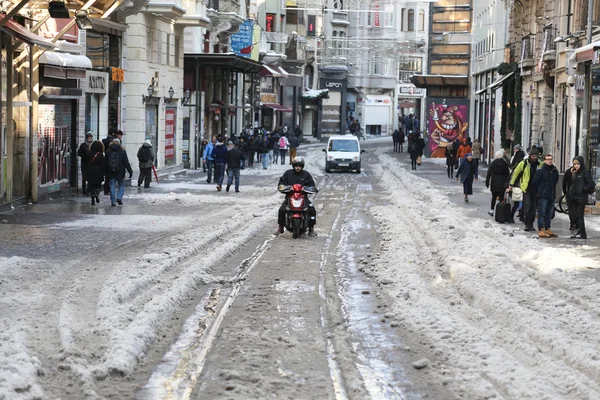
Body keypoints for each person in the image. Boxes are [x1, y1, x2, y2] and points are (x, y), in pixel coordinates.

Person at [276, 157, 317, 236]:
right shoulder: (288, 173)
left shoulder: (306, 174)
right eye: (296, 166)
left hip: (303, 197)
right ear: (293, 166)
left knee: (312, 210)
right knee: (281, 210)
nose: (298, 167)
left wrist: (306, 188)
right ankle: (280, 228)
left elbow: (312, 184)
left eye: (300, 166)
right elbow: (281, 183)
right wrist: (286, 187)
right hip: (290, 197)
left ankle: (311, 229)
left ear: (302, 166)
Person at [507, 148, 542, 231]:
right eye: (533, 156)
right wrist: (511, 184)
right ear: (530, 156)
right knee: (528, 205)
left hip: (536, 188)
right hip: (526, 188)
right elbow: (516, 173)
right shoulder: (524, 163)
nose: (534, 157)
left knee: (534, 207)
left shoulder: (540, 164)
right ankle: (527, 223)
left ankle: (531, 223)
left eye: (536, 156)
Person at [531, 154, 559, 238]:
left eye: (551, 159)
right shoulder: (541, 171)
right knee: (542, 212)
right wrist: (540, 191)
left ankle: (547, 228)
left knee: (549, 213)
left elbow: (555, 181)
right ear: (544, 160)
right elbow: (535, 182)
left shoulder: (554, 170)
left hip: (551, 194)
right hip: (543, 195)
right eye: (548, 159)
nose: (550, 160)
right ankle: (541, 229)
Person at [568, 156, 596, 239]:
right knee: (575, 215)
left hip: (581, 198)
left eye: (578, 164)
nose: (576, 165)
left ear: (581, 164)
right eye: (574, 164)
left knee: (580, 216)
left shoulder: (585, 172)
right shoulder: (574, 173)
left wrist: (584, 189)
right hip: (573, 197)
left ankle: (583, 234)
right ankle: (580, 231)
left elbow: (591, 183)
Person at [104, 138, 132, 206]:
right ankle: (119, 197)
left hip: (111, 171)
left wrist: (105, 172)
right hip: (120, 172)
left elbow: (105, 162)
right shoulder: (122, 151)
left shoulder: (108, 151)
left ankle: (113, 202)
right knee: (121, 185)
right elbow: (126, 162)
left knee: (112, 186)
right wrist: (130, 171)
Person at [485, 150, 510, 215]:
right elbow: (507, 174)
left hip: (494, 181)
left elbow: (489, 173)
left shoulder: (493, 163)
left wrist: (487, 182)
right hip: (502, 182)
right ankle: (501, 211)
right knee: (501, 197)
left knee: (494, 197)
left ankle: (492, 210)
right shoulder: (504, 164)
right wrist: (507, 183)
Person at [83, 140, 104, 205]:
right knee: (98, 184)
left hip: (90, 171)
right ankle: (97, 193)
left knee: (91, 185)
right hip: (99, 171)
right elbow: (103, 164)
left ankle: (92, 197)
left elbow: (84, 162)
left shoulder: (88, 153)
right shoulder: (101, 155)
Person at [562, 162, 578, 232]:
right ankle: (573, 223)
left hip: (577, 194)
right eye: (575, 164)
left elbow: (564, 183)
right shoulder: (568, 172)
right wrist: (565, 192)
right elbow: (564, 182)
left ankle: (574, 224)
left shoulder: (582, 172)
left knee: (574, 210)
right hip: (571, 194)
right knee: (572, 210)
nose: (576, 165)